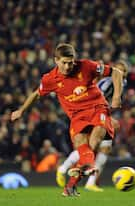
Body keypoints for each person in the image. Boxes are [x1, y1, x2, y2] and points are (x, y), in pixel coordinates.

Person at [11, 43, 125, 196]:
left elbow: (116, 72)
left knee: (96, 138)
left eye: (70, 62)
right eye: (64, 62)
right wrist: (21, 110)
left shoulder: (86, 66)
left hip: (97, 107)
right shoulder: (50, 79)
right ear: (56, 60)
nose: (67, 66)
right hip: (77, 115)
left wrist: (116, 97)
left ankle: (87, 166)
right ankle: (71, 185)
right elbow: (37, 94)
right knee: (80, 144)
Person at [56, 61, 128, 192]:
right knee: (89, 147)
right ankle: (63, 168)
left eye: (122, 71)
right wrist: (108, 118)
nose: (119, 73)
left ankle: (91, 182)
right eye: (118, 70)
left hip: (102, 116)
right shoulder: (106, 84)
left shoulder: (122, 85)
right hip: (91, 115)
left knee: (105, 148)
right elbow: (94, 101)